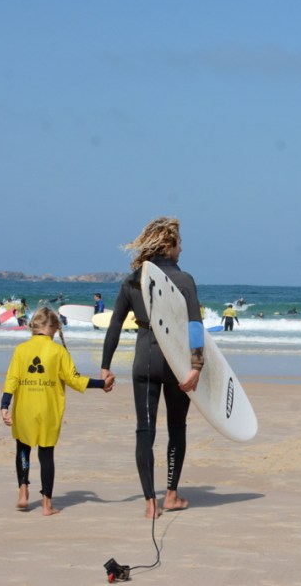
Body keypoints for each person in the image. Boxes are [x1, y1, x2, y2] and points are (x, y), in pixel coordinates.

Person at [100, 216, 204, 519]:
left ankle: (150, 503)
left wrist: (105, 366)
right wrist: (196, 366)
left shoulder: (133, 280)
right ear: (169, 246)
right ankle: (170, 494)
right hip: (176, 363)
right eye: (180, 244)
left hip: (144, 360)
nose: (182, 249)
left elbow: (115, 324)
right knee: (176, 428)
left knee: (145, 431)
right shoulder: (184, 281)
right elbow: (195, 326)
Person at [1, 307, 114, 515]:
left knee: (23, 448)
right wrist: (101, 384)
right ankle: (46, 504)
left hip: (24, 408)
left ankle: (23, 492)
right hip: (48, 410)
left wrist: (4, 405)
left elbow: (12, 379)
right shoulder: (58, 351)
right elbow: (74, 379)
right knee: (46, 454)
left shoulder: (21, 350)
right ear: (52, 327)